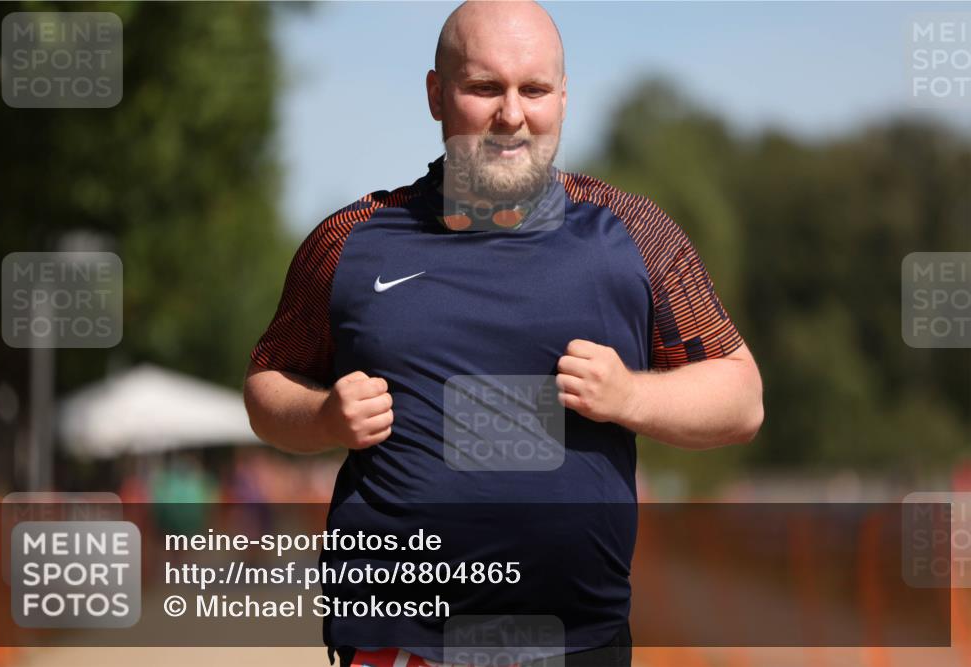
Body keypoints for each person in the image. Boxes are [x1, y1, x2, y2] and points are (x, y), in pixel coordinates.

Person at [243, 2, 763, 665]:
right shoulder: (350, 241)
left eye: (534, 89)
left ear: (564, 98)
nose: (511, 114)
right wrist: (321, 414)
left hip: (578, 643)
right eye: (484, 87)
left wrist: (632, 396)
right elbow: (265, 384)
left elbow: (741, 396)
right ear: (437, 94)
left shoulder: (632, 235)